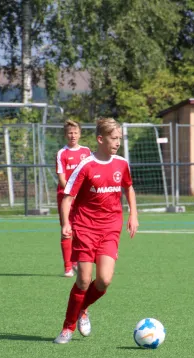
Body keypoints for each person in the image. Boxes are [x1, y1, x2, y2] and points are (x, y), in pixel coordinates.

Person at [54, 117, 139, 344]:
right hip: (85, 227)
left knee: (104, 280)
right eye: (113, 138)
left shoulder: (122, 163)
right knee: (83, 280)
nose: (118, 142)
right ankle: (67, 327)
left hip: (111, 227)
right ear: (100, 139)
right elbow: (68, 198)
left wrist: (133, 215)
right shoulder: (86, 165)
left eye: (120, 138)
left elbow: (129, 188)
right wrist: (65, 224)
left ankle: (83, 309)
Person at [55, 119, 92, 277]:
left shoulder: (86, 152)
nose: (73, 135)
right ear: (65, 135)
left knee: (81, 230)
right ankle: (68, 267)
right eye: (70, 132)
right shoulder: (62, 153)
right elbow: (62, 178)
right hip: (66, 197)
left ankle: (77, 261)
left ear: (80, 134)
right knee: (67, 230)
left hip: (82, 198)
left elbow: (91, 173)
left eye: (76, 132)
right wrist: (72, 192)